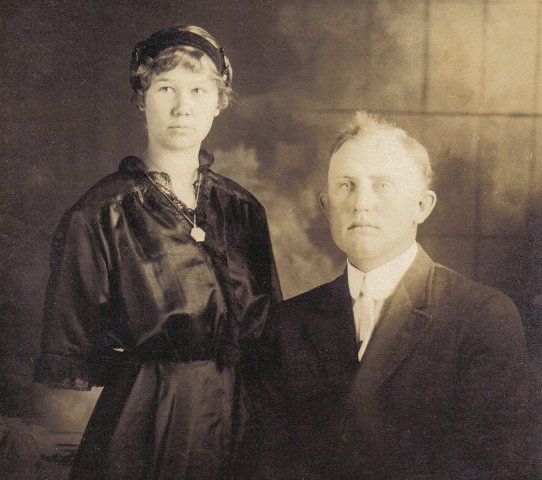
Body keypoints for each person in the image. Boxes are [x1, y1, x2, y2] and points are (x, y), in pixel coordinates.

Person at [34, 25, 282, 480]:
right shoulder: (98, 215)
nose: (182, 107)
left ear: (218, 102)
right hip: (149, 428)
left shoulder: (243, 209)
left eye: (198, 90)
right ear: (142, 97)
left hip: (244, 424)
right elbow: (72, 355)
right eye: (165, 87)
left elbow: (270, 337)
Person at [246, 112, 531, 479]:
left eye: (382, 185)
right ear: (326, 206)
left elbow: (496, 467)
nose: (361, 203)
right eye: (346, 185)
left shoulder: (482, 318)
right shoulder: (289, 324)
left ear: (422, 206)